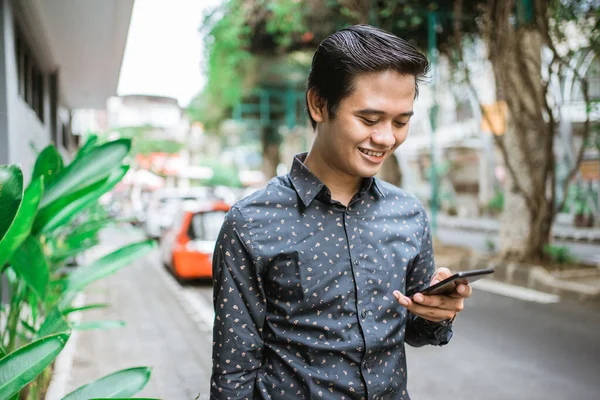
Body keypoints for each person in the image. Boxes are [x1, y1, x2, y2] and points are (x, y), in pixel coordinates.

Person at [211, 24, 472, 400]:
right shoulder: (250, 223)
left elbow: (414, 330)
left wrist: (439, 312)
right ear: (319, 104)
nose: (386, 138)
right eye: (369, 119)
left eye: (401, 122)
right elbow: (232, 375)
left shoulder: (409, 214)